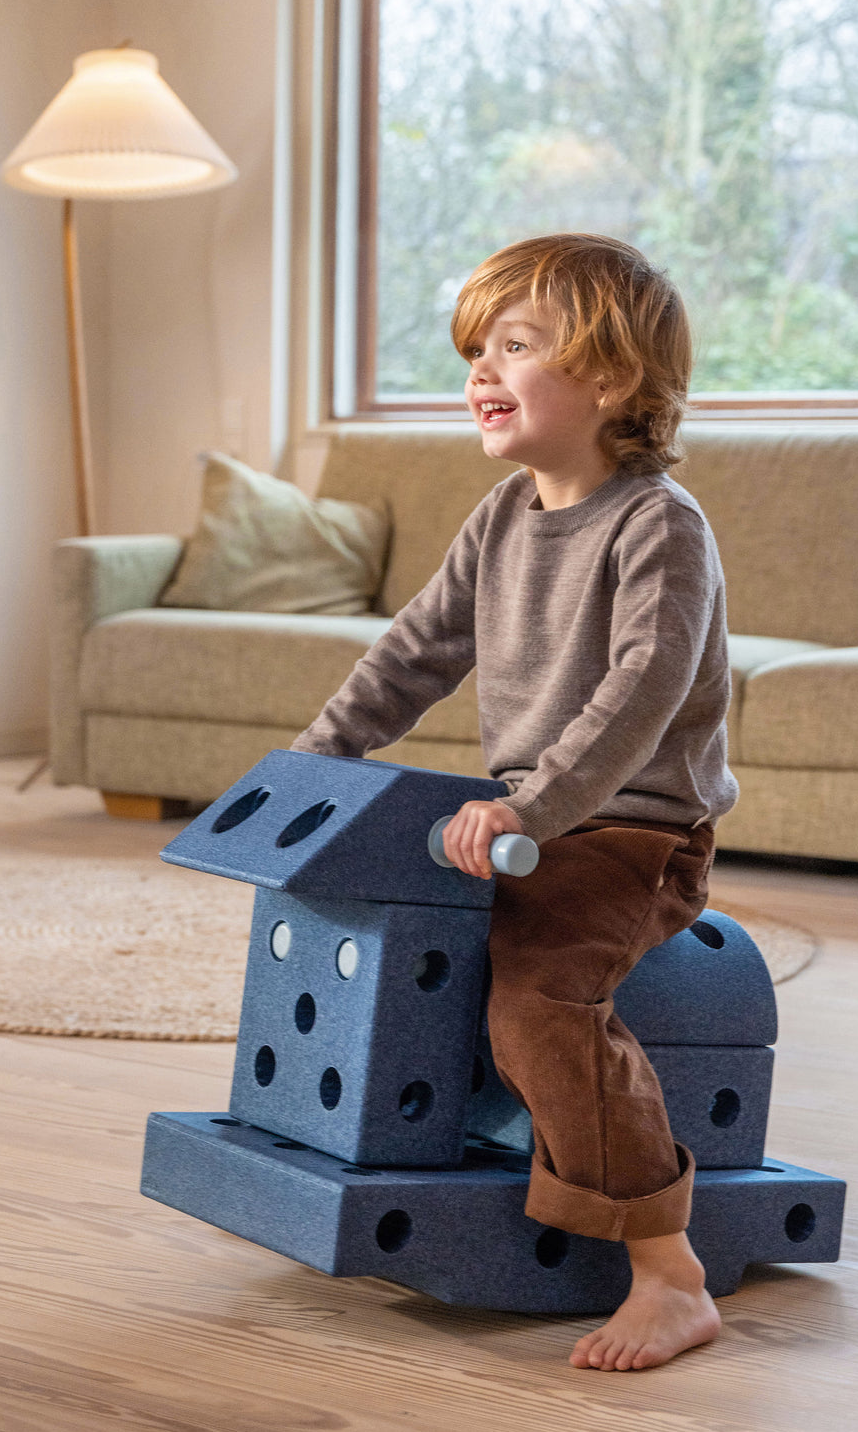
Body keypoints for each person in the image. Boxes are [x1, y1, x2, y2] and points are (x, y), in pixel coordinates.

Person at [291, 233, 739, 1370]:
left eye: (519, 346)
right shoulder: (500, 515)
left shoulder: (659, 526)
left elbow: (643, 692)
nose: (482, 371)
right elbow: (415, 652)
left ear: (612, 380)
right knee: (376, 936)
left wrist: (535, 808)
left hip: (632, 828)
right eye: (476, 348)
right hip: (530, 816)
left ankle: (666, 1266)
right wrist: (313, 758)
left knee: (541, 993)